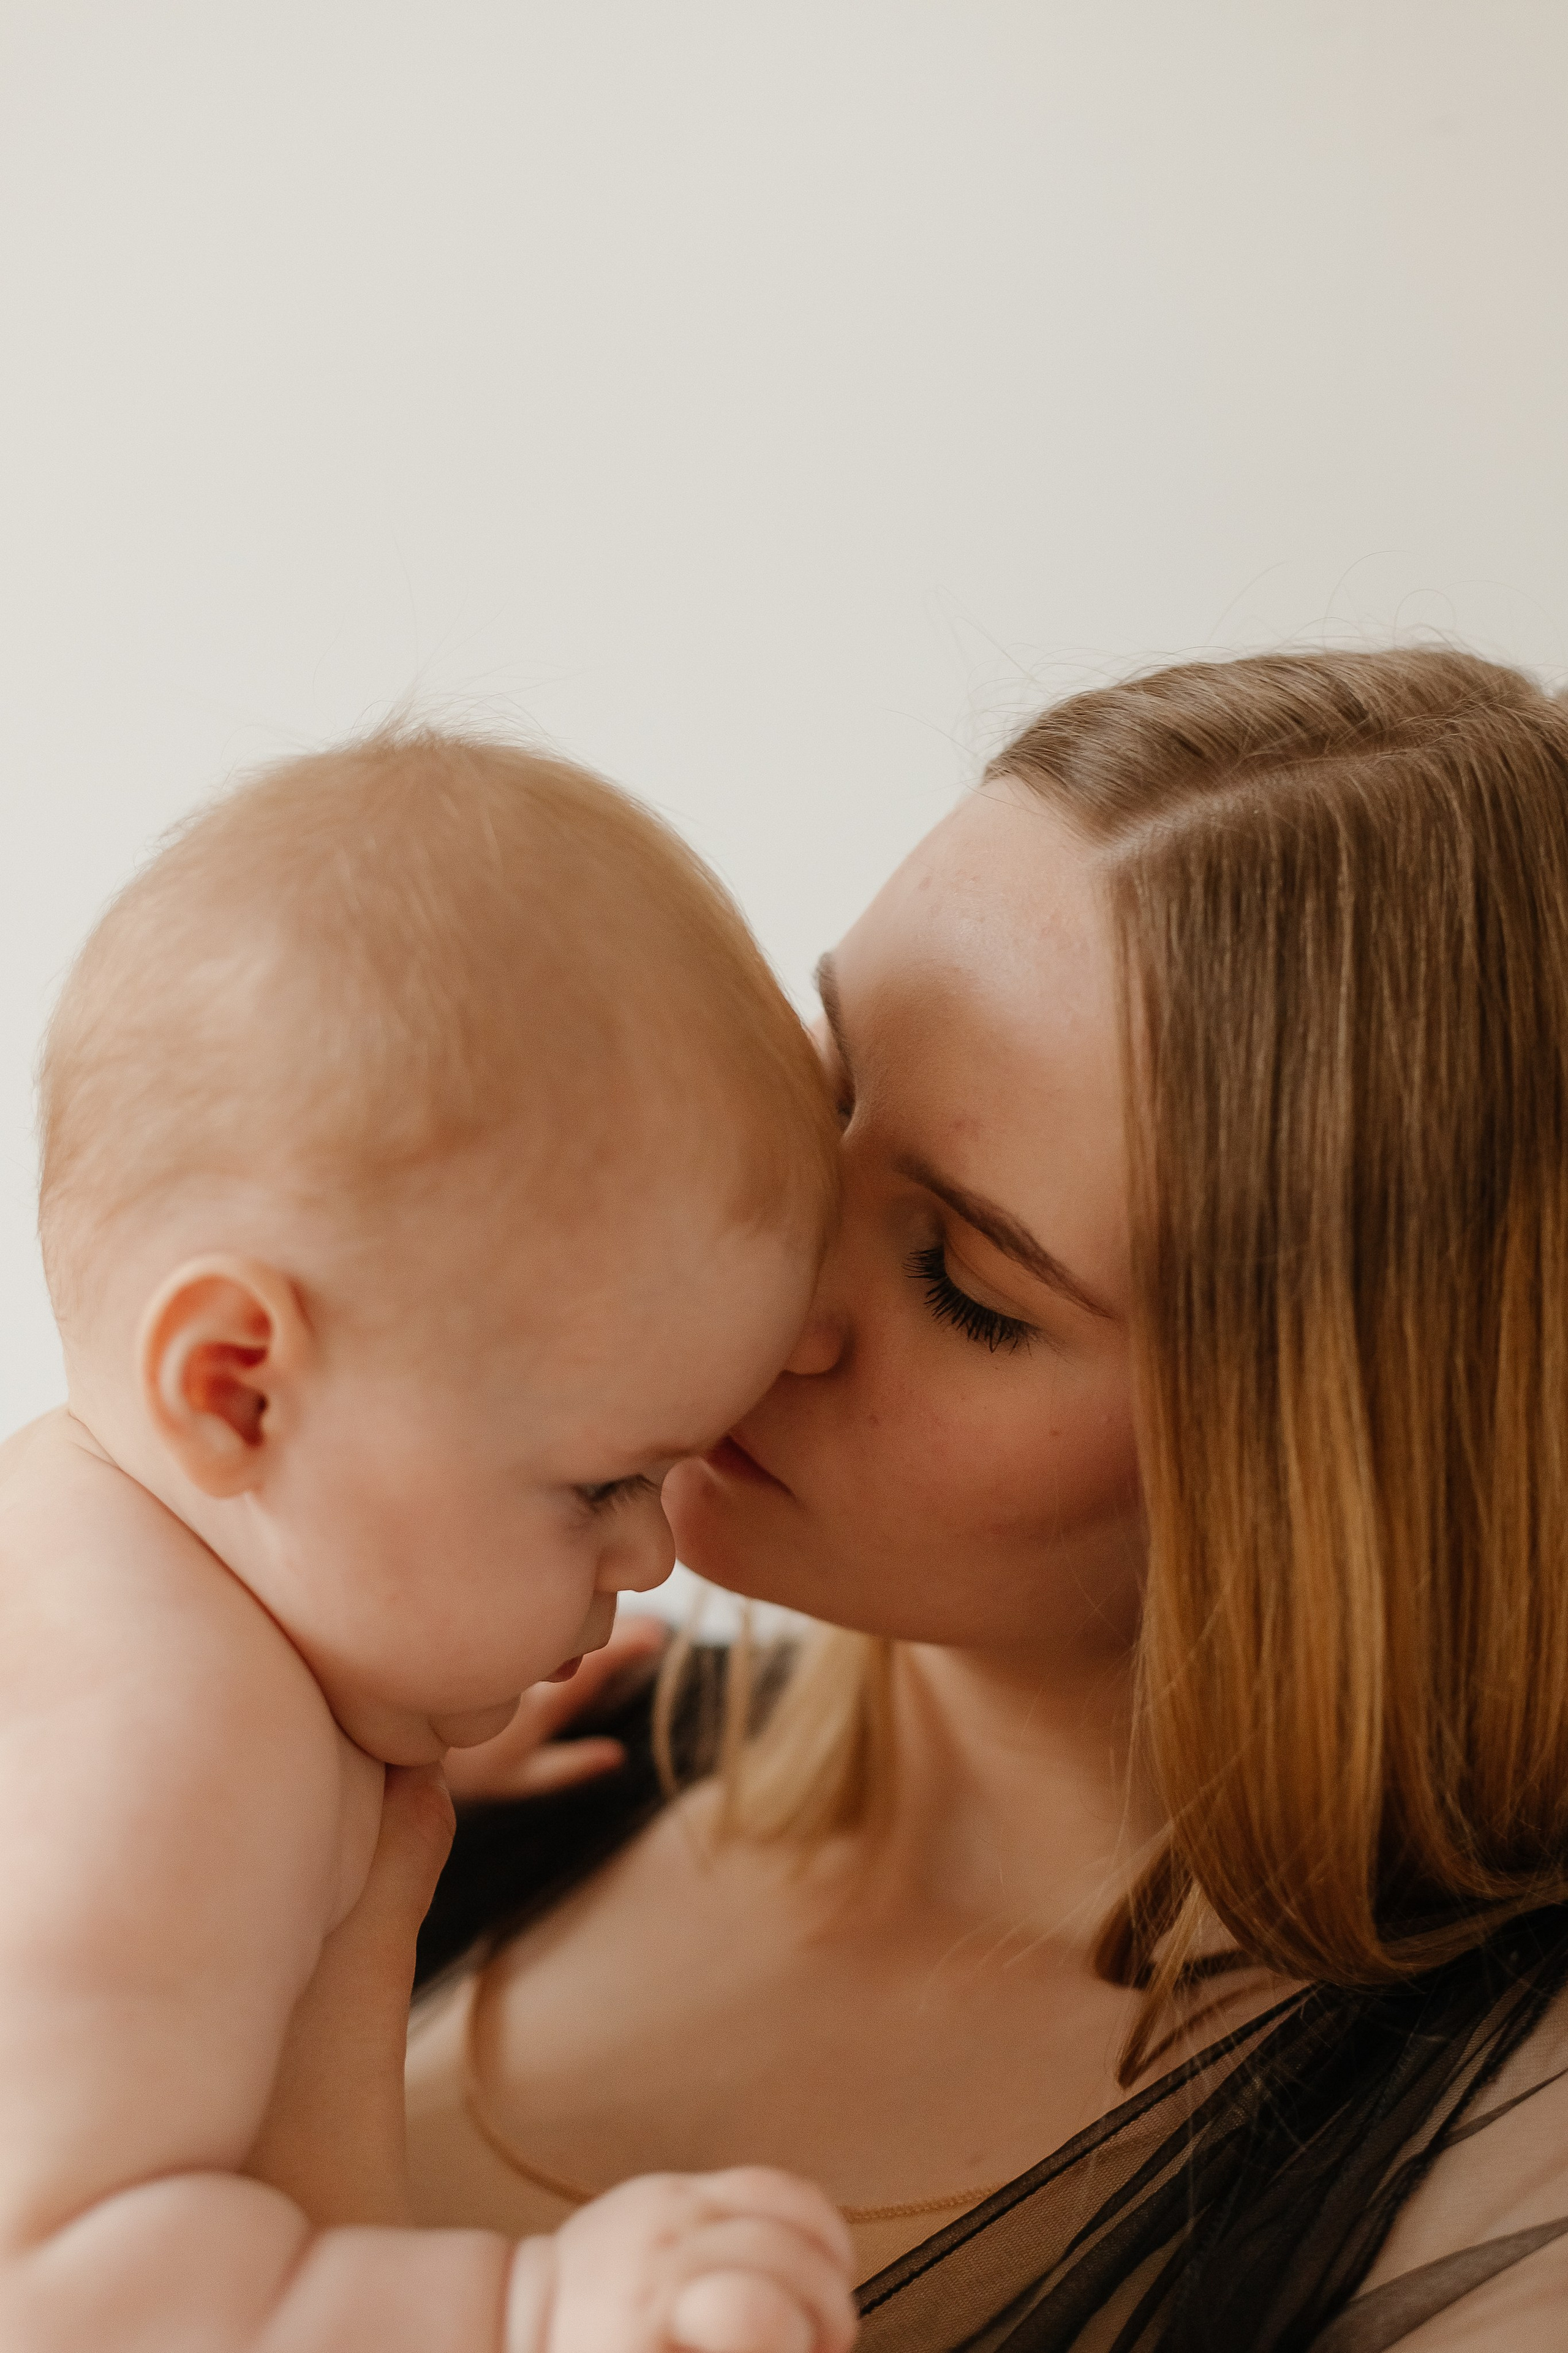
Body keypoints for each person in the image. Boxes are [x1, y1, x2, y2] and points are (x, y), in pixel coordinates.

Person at [255, 650, 1568, 2351]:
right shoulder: (487, 1752)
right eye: (822, 1084)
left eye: (961, 1281)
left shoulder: (1498, 2195)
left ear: (1335, 1479)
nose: (768, 1286)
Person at [0, 735, 860, 2353]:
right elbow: (53, 2290)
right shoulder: (169, 1744)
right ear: (239, 1388)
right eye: (601, 1484)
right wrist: (524, 2305)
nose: (654, 1555)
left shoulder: (167, 1627)